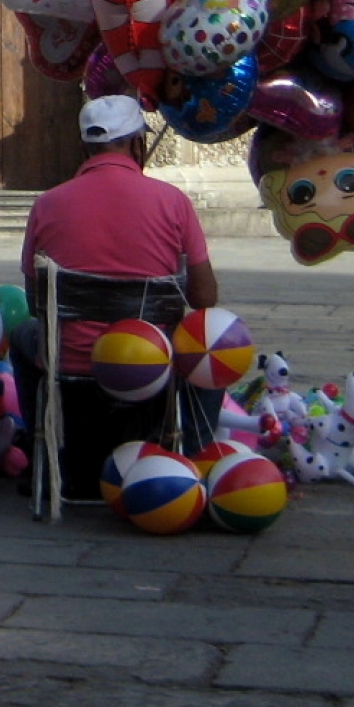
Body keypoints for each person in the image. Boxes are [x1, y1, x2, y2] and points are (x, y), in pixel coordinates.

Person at [15, 95, 220, 497]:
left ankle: (39, 449)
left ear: (85, 147)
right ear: (138, 144)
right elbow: (205, 297)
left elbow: (35, 300)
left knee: (24, 335)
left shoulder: (47, 204)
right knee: (213, 341)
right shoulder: (173, 201)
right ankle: (196, 458)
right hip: (152, 361)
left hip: (71, 361)